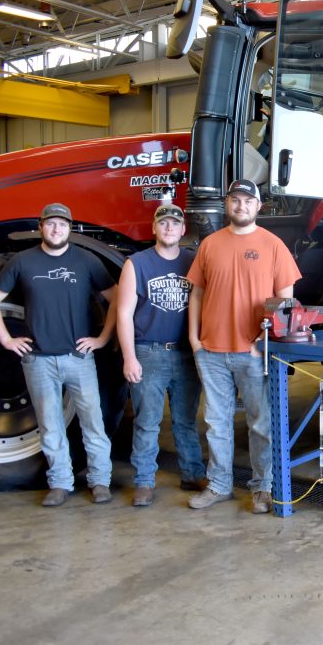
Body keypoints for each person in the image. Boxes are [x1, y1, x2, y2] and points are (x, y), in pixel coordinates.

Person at [0, 203, 118, 507]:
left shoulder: (86, 260)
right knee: (50, 423)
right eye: (51, 224)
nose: (57, 229)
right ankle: (60, 483)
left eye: (63, 224)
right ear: (41, 226)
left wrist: (103, 337)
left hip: (79, 359)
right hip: (38, 360)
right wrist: (6, 339)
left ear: (71, 228)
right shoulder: (22, 261)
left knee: (93, 422)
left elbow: (117, 297)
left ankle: (100, 481)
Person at [186, 179, 301, 514]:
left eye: (248, 201)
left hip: (253, 352)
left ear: (258, 206)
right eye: (235, 200)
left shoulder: (273, 245)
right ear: (227, 204)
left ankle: (262, 487)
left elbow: (286, 300)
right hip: (211, 351)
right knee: (215, 422)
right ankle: (220, 485)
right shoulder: (209, 245)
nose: (241, 206)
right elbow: (197, 293)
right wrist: (195, 339)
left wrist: (265, 343)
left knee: (260, 423)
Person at [117, 204, 207, 507]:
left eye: (175, 224)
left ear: (183, 230)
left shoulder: (193, 263)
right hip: (149, 352)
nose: (169, 228)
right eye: (163, 223)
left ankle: (192, 473)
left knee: (185, 420)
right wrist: (129, 356)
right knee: (147, 421)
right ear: (154, 228)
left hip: (185, 354)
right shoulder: (136, 264)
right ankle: (144, 481)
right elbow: (124, 312)